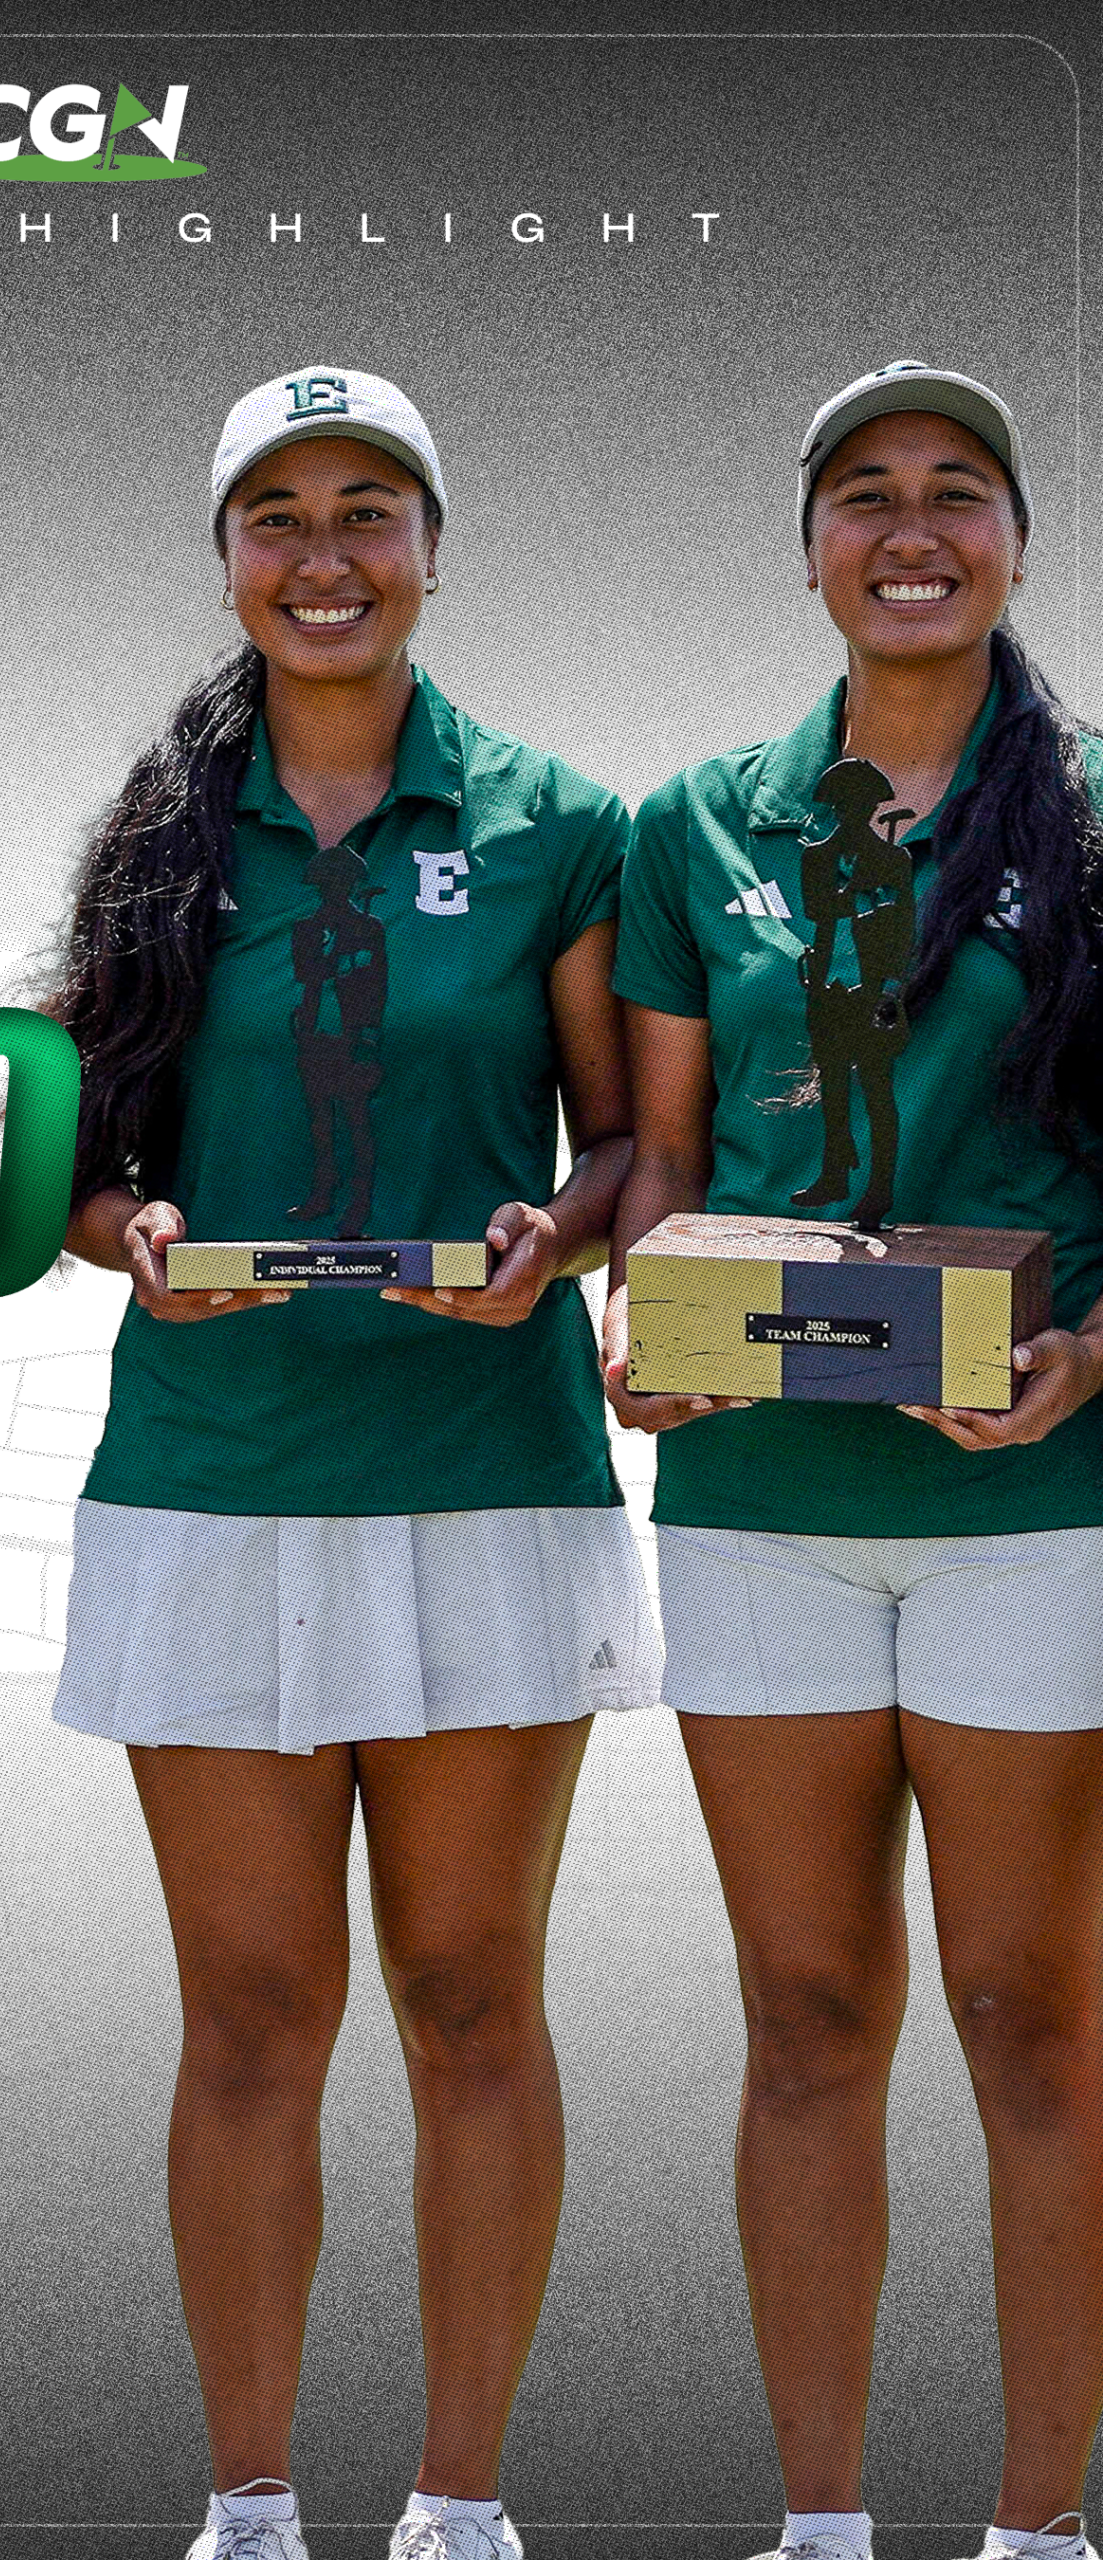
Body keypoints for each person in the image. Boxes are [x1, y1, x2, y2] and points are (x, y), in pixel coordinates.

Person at [47, 366, 659, 2560]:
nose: (324, 553)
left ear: (430, 542)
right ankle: (243, 2504)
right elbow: (57, 1151)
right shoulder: (151, 831)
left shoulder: (559, 824)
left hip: (479, 1467)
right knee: (250, 2009)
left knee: (471, 1985)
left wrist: (554, 1235)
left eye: (369, 509)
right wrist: (123, 1229)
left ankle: (463, 2501)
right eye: (278, 514)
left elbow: (621, 1142)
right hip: (207, 1472)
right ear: (225, 555)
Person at [606, 361, 1103, 2560]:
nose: (913, 528)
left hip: (1032, 1510)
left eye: (958, 493)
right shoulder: (694, 823)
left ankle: (1038, 2528)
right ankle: (818, 2526)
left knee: (1028, 2013)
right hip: (760, 1516)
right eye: (865, 496)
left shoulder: (1094, 813)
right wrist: (646, 1305)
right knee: (804, 2013)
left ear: (1016, 538)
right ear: (805, 548)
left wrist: (1084, 1351)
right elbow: (661, 1157)